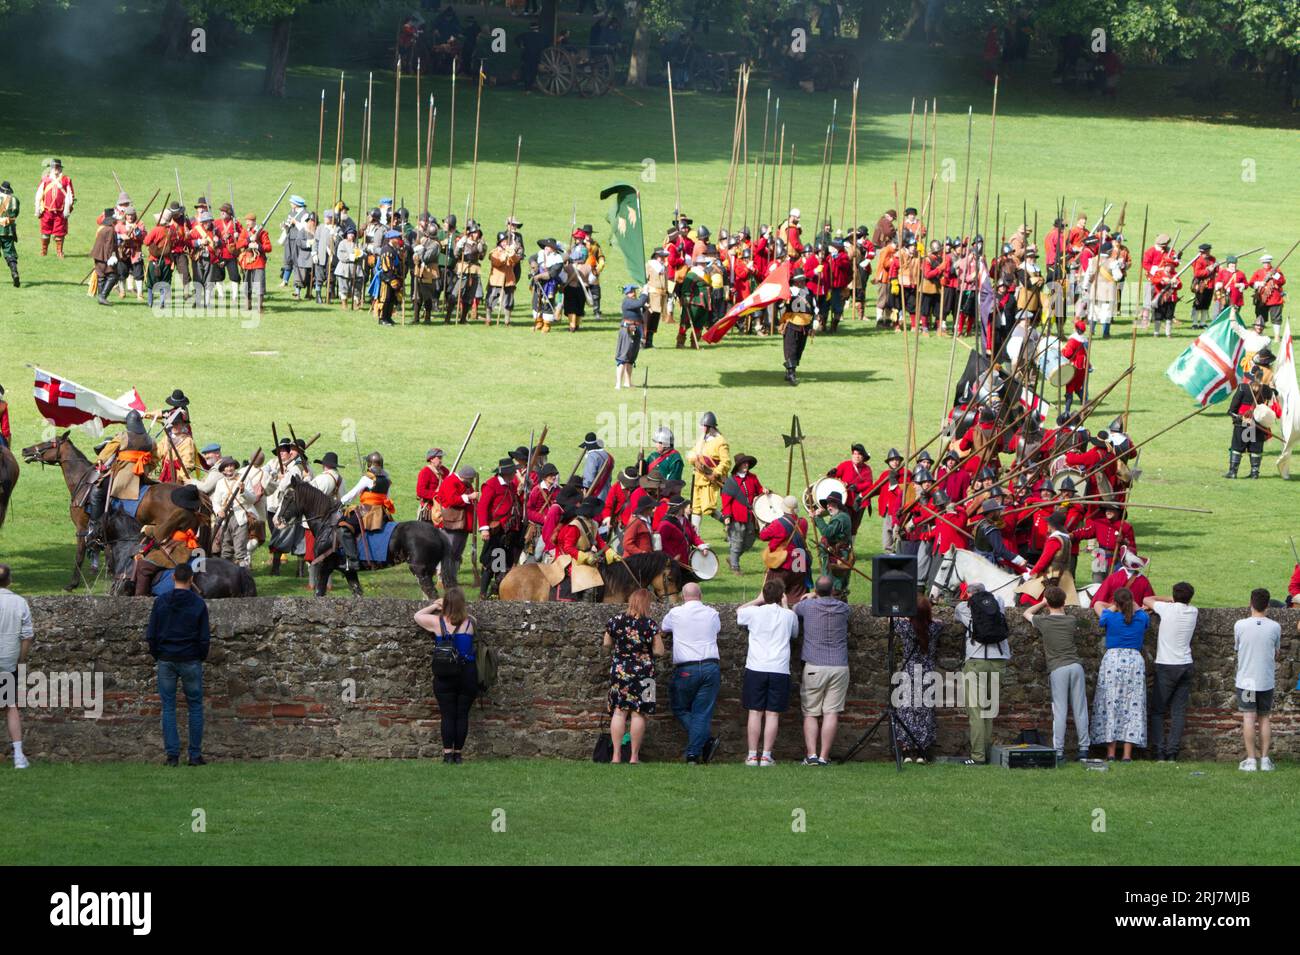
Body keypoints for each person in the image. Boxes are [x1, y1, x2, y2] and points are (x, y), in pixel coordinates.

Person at [146, 562, 210, 767]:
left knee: (168, 707)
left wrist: (159, 654)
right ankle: (194, 755)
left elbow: (151, 635)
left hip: (166, 658)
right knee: (195, 706)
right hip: (190, 658)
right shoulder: (198, 604)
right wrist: (199, 656)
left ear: (173, 578)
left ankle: (172, 755)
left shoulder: (161, 602)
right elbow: (204, 639)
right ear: (191, 580)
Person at [1024, 585, 1090, 762]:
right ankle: (1084, 749)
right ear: (1064, 601)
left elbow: (1026, 613)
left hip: (1058, 668)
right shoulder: (1071, 620)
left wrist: (1042, 602)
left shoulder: (1043, 621)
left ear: (1047, 603)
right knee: (1080, 709)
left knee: (1060, 711)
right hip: (1076, 666)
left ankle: (1059, 751)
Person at [414, 588, 479, 764]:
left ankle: (447, 754)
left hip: (445, 673)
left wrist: (435, 604)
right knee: (462, 714)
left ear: (446, 604)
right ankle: (458, 754)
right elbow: (472, 618)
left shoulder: (437, 622)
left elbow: (417, 616)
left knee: (448, 715)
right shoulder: (470, 623)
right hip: (467, 673)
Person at [737, 580, 799, 766]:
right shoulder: (789, 616)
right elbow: (794, 633)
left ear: (765, 594)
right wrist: (787, 605)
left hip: (756, 666)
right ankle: (766, 755)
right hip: (779, 668)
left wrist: (757, 600)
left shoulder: (755, 612)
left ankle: (751, 754)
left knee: (755, 712)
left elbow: (739, 611)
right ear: (781, 596)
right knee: (772, 714)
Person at [660, 582, 722, 764]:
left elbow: (664, 629)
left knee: (679, 707)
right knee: (702, 713)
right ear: (700, 595)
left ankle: (694, 752)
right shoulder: (712, 613)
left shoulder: (676, 613)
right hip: (711, 666)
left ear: (682, 596)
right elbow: (717, 629)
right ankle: (702, 744)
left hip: (687, 668)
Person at [602, 588, 665, 763]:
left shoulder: (616, 621)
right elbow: (659, 651)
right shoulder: (650, 624)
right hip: (645, 674)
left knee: (619, 712)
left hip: (620, 671)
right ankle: (634, 757)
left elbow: (606, 644)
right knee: (640, 713)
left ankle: (615, 756)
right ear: (646, 603)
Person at [792, 576, 850, 764]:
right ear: (833, 590)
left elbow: (794, 609)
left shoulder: (807, 606)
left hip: (814, 664)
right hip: (839, 665)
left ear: (816, 591)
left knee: (810, 712)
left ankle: (812, 755)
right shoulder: (842, 608)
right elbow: (849, 610)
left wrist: (811, 597)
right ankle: (824, 756)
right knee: (831, 712)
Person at [1090, 587, 1149, 762]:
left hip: (1113, 660)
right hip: (1134, 661)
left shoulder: (1110, 616)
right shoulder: (1142, 617)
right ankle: (1127, 754)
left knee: (1110, 703)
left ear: (1116, 603)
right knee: (1133, 705)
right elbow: (1141, 612)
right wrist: (1132, 604)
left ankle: (1110, 752)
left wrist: (1114, 606)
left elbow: (1097, 604)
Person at [1142, 581, 1198, 762]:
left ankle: (1159, 750)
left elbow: (1146, 599)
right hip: (1186, 663)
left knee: (1158, 710)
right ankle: (1172, 752)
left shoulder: (1166, 609)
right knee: (1178, 711)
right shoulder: (1193, 611)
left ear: (1174, 596)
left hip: (1167, 664)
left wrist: (1169, 600)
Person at [954, 582, 1008, 765]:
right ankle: (985, 752)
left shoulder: (963, 607)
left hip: (976, 661)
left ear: (968, 594)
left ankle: (977, 757)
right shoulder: (998, 601)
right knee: (988, 711)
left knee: (976, 712)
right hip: (999, 660)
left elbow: (957, 617)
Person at [1234, 588, 1280, 772]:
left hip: (1247, 681)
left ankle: (1251, 759)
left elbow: (1237, 648)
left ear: (1250, 603)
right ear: (1268, 605)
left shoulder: (1240, 625)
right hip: (1266, 679)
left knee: (1248, 717)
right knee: (1264, 718)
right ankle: (1266, 759)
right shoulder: (1275, 626)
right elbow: (1277, 652)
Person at [895, 594, 942, 763]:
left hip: (909, 671)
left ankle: (907, 751)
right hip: (928, 672)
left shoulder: (905, 626)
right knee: (925, 711)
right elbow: (939, 622)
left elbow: (891, 620)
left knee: (907, 710)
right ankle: (923, 751)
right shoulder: (935, 628)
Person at [0, 565, 33, 769]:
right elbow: (27, 636)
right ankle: (19, 756)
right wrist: (20, 659)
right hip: (7, 662)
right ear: (9, 581)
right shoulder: (19, 602)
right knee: (10, 707)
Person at [35, 158, 74, 258]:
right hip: (46, 211)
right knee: (45, 233)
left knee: (60, 234)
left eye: (57, 167)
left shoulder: (66, 180)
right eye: (54, 167)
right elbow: (39, 194)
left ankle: (59, 252)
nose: (56, 169)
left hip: (60, 211)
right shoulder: (45, 180)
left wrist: (67, 208)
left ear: (60, 169)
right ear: (51, 169)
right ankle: (44, 251)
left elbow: (70, 195)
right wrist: (38, 208)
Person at [615, 283, 646, 389]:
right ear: (628, 293)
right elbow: (640, 302)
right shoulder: (627, 301)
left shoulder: (633, 301)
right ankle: (618, 383)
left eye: (634, 291)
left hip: (636, 329)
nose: (634, 293)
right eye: (632, 291)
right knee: (623, 357)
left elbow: (641, 305)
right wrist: (644, 293)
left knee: (631, 359)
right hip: (627, 329)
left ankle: (628, 382)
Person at [0, 180, 20, 287]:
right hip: (8, 230)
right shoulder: (15, 200)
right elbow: (15, 214)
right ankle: (14, 273)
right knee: (10, 254)